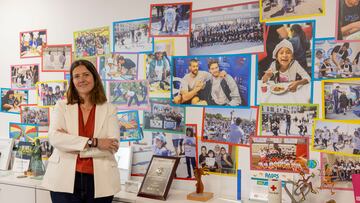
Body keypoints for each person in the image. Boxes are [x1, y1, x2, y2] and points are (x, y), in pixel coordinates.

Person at [42, 59, 121, 203]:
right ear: (72, 81)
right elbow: (55, 138)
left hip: (100, 181)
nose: (81, 79)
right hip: (63, 180)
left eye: (86, 75)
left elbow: (112, 146)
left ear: (94, 78)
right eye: (76, 76)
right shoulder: (61, 106)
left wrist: (70, 144)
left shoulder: (109, 109)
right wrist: (95, 142)